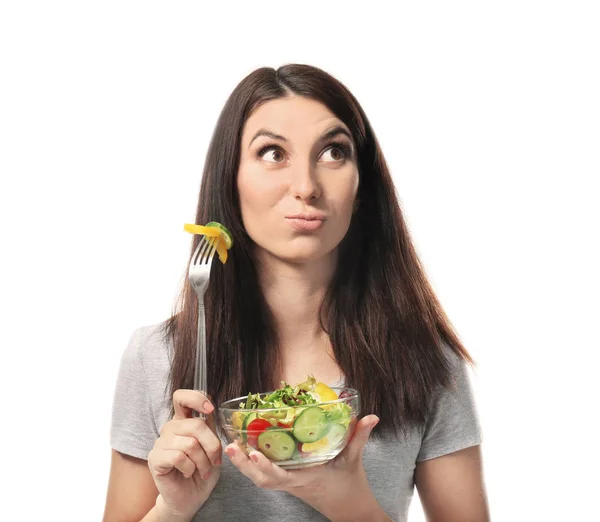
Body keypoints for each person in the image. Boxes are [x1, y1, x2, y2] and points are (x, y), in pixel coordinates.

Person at [103, 63, 490, 522]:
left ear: (362, 187)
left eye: (333, 152)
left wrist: (348, 503)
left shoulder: (427, 362)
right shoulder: (155, 358)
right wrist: (171, 508)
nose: (306, 187)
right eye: (272, 153)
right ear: (232, 179)